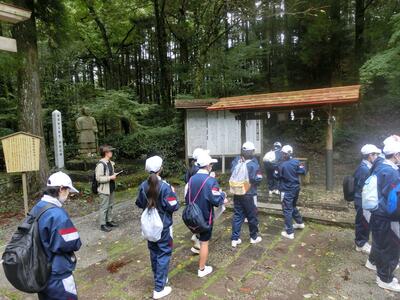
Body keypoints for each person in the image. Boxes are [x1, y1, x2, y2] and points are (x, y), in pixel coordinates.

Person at [32, 172, 82, 300]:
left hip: (40, 270)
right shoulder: (58, 215)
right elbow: (73, 243)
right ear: (61, 188)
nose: (68, 194)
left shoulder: (38, 207)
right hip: (57, 273)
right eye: (68, 190)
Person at [136, 156, 179, 299]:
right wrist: (173, 193)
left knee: (154, 252)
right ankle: (159, 288)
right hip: (163, 226)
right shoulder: (166, 187)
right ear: (161, 169)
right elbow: (173, 206)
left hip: (149, 226)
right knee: (164, 253)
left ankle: (159, 278)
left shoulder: (143, 186)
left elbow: (139, 203)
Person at [186, 151, 227, 278]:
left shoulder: (192, 179)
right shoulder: (211, 181)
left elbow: (187, 196)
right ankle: (202, 269)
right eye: (211, 165)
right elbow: (216, 200)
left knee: (199, 236)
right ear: (208, 166)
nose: (211, 167)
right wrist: (223, 196)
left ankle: (200, 261)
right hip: (204, 216)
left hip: (192, 215)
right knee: (204, 242)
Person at [365, 141, 400, 292]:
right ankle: (385, 278)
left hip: (377, 212)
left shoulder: (380, 166)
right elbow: (393, 200)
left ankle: (374, 264)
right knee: (391, 247)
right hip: (387, 216)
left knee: (379, 243)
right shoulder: (391, 173)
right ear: (397, 155)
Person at [231, 141, 263, 247]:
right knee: (252, 216)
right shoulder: (253, 165)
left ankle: (235, 239)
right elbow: (257, 179)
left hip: (237, 192)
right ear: (252, 152)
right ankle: (253, 237)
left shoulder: (237, 162)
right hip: (249, 193)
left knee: (238, 215)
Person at [353, 144, 381, 254]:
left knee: (365, 222)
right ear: (370, 155)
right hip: (362, 200)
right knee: (362, 222)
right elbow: (363, 188)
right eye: (376, 154)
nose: (378, 156)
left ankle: (363, 241)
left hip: (363, 199)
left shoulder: (367, 167)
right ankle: (360, 244)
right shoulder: (364, 169)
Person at [276, 145, 306, 240]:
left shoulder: (281, 165)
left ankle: (289, 232)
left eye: (283, 153)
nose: (282, 155)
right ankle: (299, 223)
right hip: (296, 188)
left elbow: (276, 176)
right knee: (292, 206)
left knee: (287, 209)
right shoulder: (297, 162)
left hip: (286, 190)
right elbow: (302, 171)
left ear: (285, 154)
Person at [184, 148, 204, 255]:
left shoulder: (192, 167)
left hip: (190, 193)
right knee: (200, 218)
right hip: (196, 195)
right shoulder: (198, 169)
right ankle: (197, 241)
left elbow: (185, 179)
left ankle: (196, 237)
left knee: (195, 217)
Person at [96, 145, 118, 232]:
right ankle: (102, 224)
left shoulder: (110, 163)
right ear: (106, 153)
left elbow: (109, 174)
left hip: (111, 187)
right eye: (110, 151)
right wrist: (110, 178)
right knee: (104, 207)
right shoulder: (101, 165)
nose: (111, 153)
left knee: (110, 205)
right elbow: (98, 178)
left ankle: (109, 221)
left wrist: (114, 175)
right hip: (104, 189)